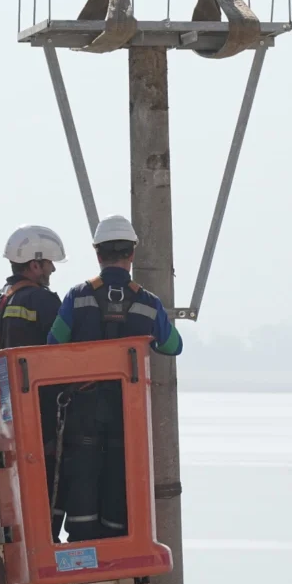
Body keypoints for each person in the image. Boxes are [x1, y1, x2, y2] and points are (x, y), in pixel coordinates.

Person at [45, 214, 183, 542]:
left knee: (83, 475)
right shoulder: (148, 304)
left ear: (98, 253)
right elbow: (173, 345)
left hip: (82, 409)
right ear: (131, 254)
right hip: (128, 414)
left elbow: (52, 346)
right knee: (121, 476)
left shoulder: (78, 296)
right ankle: (117, 543)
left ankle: (82, 543)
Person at [0, 224, 67, 542]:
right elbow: (66, 348)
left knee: (26, 481)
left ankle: (31, 535)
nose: (53, 269)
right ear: (34, 264)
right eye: (48, 263)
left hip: (11, 409)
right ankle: (48, 539)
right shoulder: (41, 301)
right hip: (42, 408)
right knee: (53, 476)